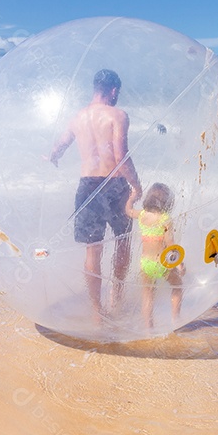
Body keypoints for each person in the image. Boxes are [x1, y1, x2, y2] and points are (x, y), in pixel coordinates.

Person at [49, 69, 142, 317]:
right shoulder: (117, 115)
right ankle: (117, 299)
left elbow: (60, 146)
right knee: (123, 241)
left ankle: (96, 310)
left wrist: (52, 156)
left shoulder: (76, 118)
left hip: (87, 185)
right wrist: (137, 185)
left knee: (93, 249)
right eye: (117, 93)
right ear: (113, 90)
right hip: (114, 184)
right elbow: (121, 156)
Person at [126, 183, 184, 329]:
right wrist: (179, 264)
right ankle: (176, 321)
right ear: (167, 202)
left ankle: (148, 328)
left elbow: (128, 211)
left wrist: (131, 198)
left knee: (147, 295)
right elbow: (170, 244)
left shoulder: (141, 215)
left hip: (145, 263)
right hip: (162, 263)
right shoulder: (165, 219)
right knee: (177, 286)